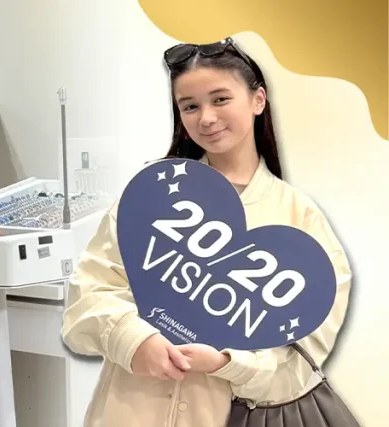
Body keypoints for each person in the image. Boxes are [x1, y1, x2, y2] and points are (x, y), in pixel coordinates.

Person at [59, 37, 353, 427]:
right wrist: (132, 339)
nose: (206, 118)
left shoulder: (299, 216)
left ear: (258, 100)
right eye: (190, 106)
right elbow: (85, 298)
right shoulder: (152, 196)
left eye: (220, 99)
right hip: (129, 410)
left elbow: (306, 348)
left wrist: (229, 363)